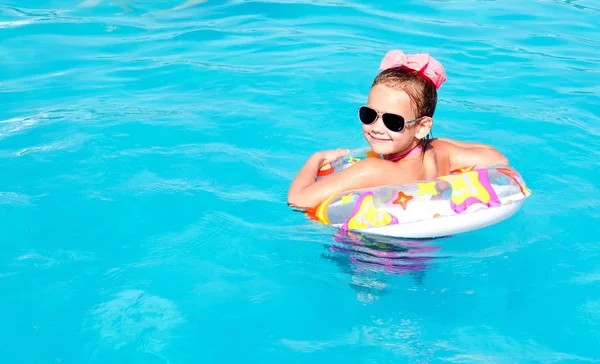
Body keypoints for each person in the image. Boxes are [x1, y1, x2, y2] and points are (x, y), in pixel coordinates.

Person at [288, 50, 508, 209]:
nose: (376, 128)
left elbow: (298, 200)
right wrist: (433, 140)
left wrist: (316, 159)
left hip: (374, 255)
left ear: (422, 127)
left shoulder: (374, 170)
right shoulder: (441, 154)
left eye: (394, 122)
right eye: (369, 115)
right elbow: (496, 159)